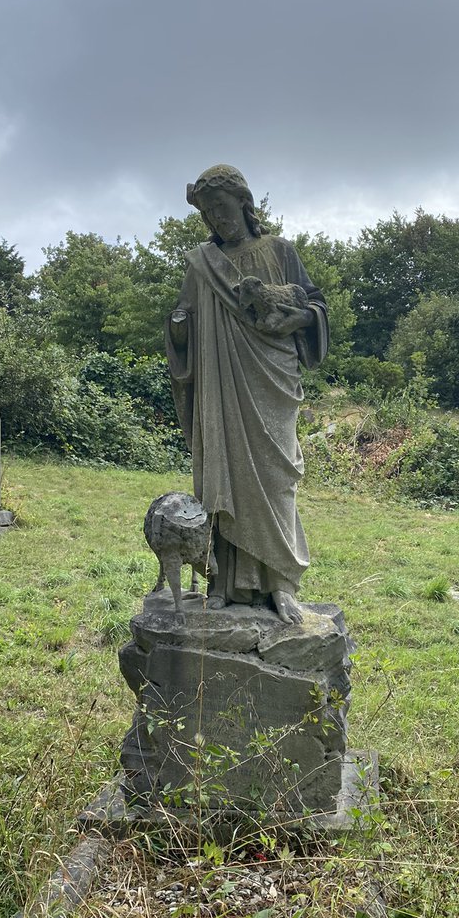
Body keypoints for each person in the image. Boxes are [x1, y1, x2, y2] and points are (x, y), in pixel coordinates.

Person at [166, 164, 328, 624]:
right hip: (221, 387)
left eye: (222, 207)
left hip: (272, 380)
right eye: (209, 213)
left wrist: (293, 318)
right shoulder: (201, 264)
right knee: (222, 476)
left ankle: (281, 584)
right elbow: (183, 320)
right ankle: (221, 582)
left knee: (277, 480)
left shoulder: (279, 250)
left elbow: (315, 307)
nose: (217, 219)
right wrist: (179, 330)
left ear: (244, 202)